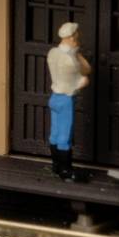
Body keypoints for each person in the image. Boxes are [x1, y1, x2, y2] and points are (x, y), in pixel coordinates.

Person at [46, 21, 91, 183]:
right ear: (71, 39)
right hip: (66, 98)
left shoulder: (52, 53)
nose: (78, 41)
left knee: (55, 133)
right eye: (76, 38)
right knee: (65, 134)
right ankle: (65, 170)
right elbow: (86, 71)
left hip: (54, 97)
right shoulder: (71, 60)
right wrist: (77, 55)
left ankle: (56, 165)